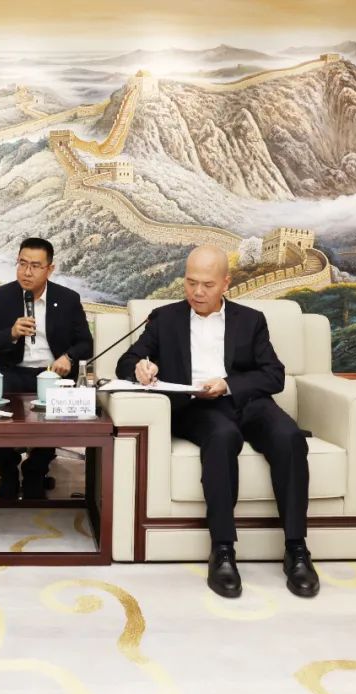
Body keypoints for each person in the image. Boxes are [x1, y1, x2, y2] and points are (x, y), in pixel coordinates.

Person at [116, 245, 319, 599]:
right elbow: (126, 361)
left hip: (247, 401)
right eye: (190, 282)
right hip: (197, 408)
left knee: (289, 437)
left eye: (207, 285)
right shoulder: (164, 318)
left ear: (226, 283)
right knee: (223, 436)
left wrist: (228, 384)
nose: (197, 292)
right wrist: (140, 367)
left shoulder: (251, 320)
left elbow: (274, 375)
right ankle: (223, 550)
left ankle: (297, 550)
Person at [0, 237, 93, 500]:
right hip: (11, 371)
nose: (27, 272)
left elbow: (86, 343)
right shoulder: (0, 297)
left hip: (51, 373)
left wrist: (68, 357)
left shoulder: (68, 299)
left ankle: (36, 470)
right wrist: (11, 333)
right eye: (22, 263)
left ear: (50, 269)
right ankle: (7, 471)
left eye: (35, 266)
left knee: (52, 410)